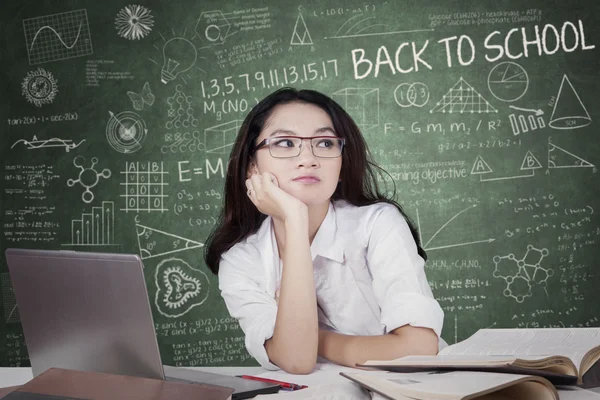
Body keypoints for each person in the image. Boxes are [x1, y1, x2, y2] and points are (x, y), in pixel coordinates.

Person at [204, 87, 445, 374]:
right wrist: (295, 221)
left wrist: (314, 338)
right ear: (252, 167)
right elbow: (296, 360)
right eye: (284, 143)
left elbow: (418, 349)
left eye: (325, 143)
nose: (308, 158)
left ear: (341, 164)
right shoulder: (241, 260)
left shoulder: (378, 223)